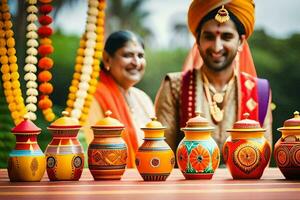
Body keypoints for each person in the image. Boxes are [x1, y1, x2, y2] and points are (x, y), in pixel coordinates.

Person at [155, 0, 272, 154]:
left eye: (227, 36)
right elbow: (161, 155)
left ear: (241, 42)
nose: (217, 47)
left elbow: (264, 155)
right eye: (209, 37)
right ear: (197, 40)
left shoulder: (259, 91)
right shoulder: (174, 86)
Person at [86, 30, 154, 168]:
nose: (136, 62)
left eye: (140, 56)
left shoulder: (143, 98)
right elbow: (89, 146)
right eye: (127, 55)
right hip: (109, 180)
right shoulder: (93, 98)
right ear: (107, 59)